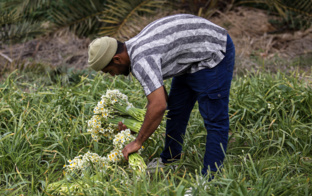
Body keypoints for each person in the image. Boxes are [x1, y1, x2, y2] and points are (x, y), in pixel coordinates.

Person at [87, 14, 235, 176]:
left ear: (117, 59)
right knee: (176, 111)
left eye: (110, 71)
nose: (112, 76)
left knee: (215, 120)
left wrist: (138, 141)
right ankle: (170, 159)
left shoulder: (141, 60)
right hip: (190, 57)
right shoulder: (134, 48)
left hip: (212, 52)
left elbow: (158, 105)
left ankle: (211, 178)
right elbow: (160, 99)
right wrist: (136, 125)